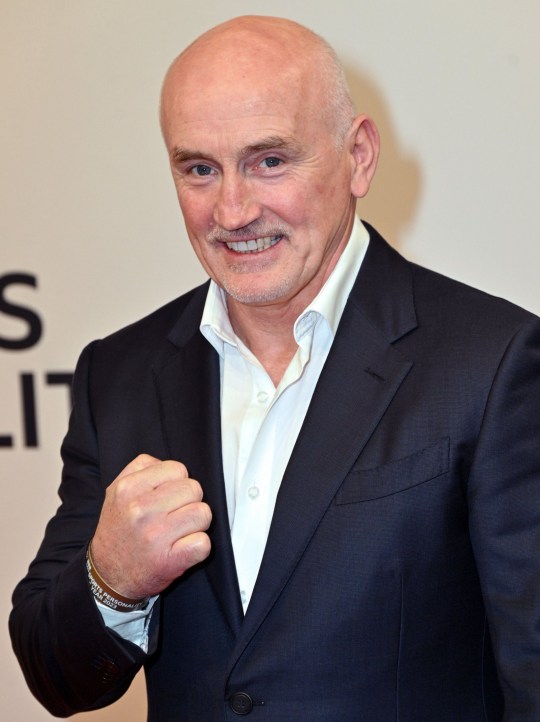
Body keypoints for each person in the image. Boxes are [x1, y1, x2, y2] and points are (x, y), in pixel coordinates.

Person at [9, 15, 540, 721]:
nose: (233, 210)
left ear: (358, 157)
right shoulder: (121, 373)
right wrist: (111, 583)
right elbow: (54, 676)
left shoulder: (492, 361)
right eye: (200, 168)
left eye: (270, 161)